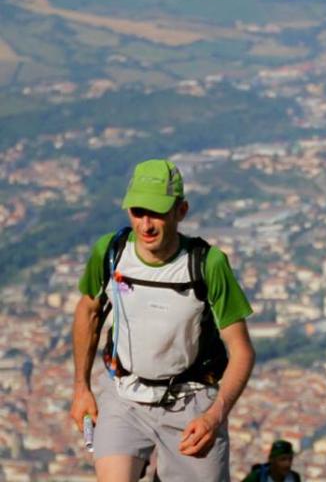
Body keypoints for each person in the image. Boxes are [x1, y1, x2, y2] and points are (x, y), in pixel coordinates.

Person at [70, 158, 255, 482]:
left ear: (180, 212)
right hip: (125, 393)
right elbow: (88, 311)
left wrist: (215, 415)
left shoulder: (206, 264)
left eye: (156, 212)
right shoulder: (111, 253)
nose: (145, 225)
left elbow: (241, 350)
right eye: (137, 212)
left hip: (191, 400)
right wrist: (81, 387)